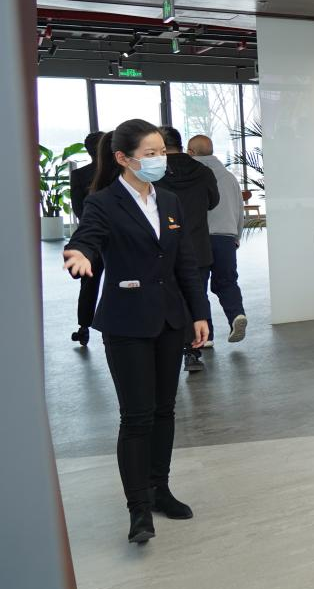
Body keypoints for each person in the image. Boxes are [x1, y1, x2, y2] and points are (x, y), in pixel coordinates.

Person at [62, 119, 210, 544]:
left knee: (165, 410)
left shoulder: (170, 200)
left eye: (161, 152)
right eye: (150, 154)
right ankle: (138, 508)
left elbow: (185, 263)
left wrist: (199, 313)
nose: (160, 159)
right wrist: (79, 253)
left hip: (170, 320)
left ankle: (160, 489)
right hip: (127, 322)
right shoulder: (104, 202)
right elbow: (88, 237)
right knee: (137, 416)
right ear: (123, 159)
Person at [156, 127, 219, 373]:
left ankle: (166, 353)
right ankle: (193, 353)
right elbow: (213, 202)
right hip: (198, 245)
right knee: (196, 296)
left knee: (164, 299)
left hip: (164, 247)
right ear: (182, 145)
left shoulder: (155, 174)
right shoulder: (203, 171)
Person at [187, 135, 248, 345]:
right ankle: (236, 315)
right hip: (226, 237)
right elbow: (240, 209)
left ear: (191, 152)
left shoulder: (191, 176)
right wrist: (236, 236)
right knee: (227, 282)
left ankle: (206, 336)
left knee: (198, 286)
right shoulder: (229, 177)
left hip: (199, 239)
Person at [70, 130, 104, 346]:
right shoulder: (119, 173)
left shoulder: (79, 175)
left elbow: (78, 209)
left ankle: (84, 327)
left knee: (89, 283)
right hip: (118, 238)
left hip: (92, 238)